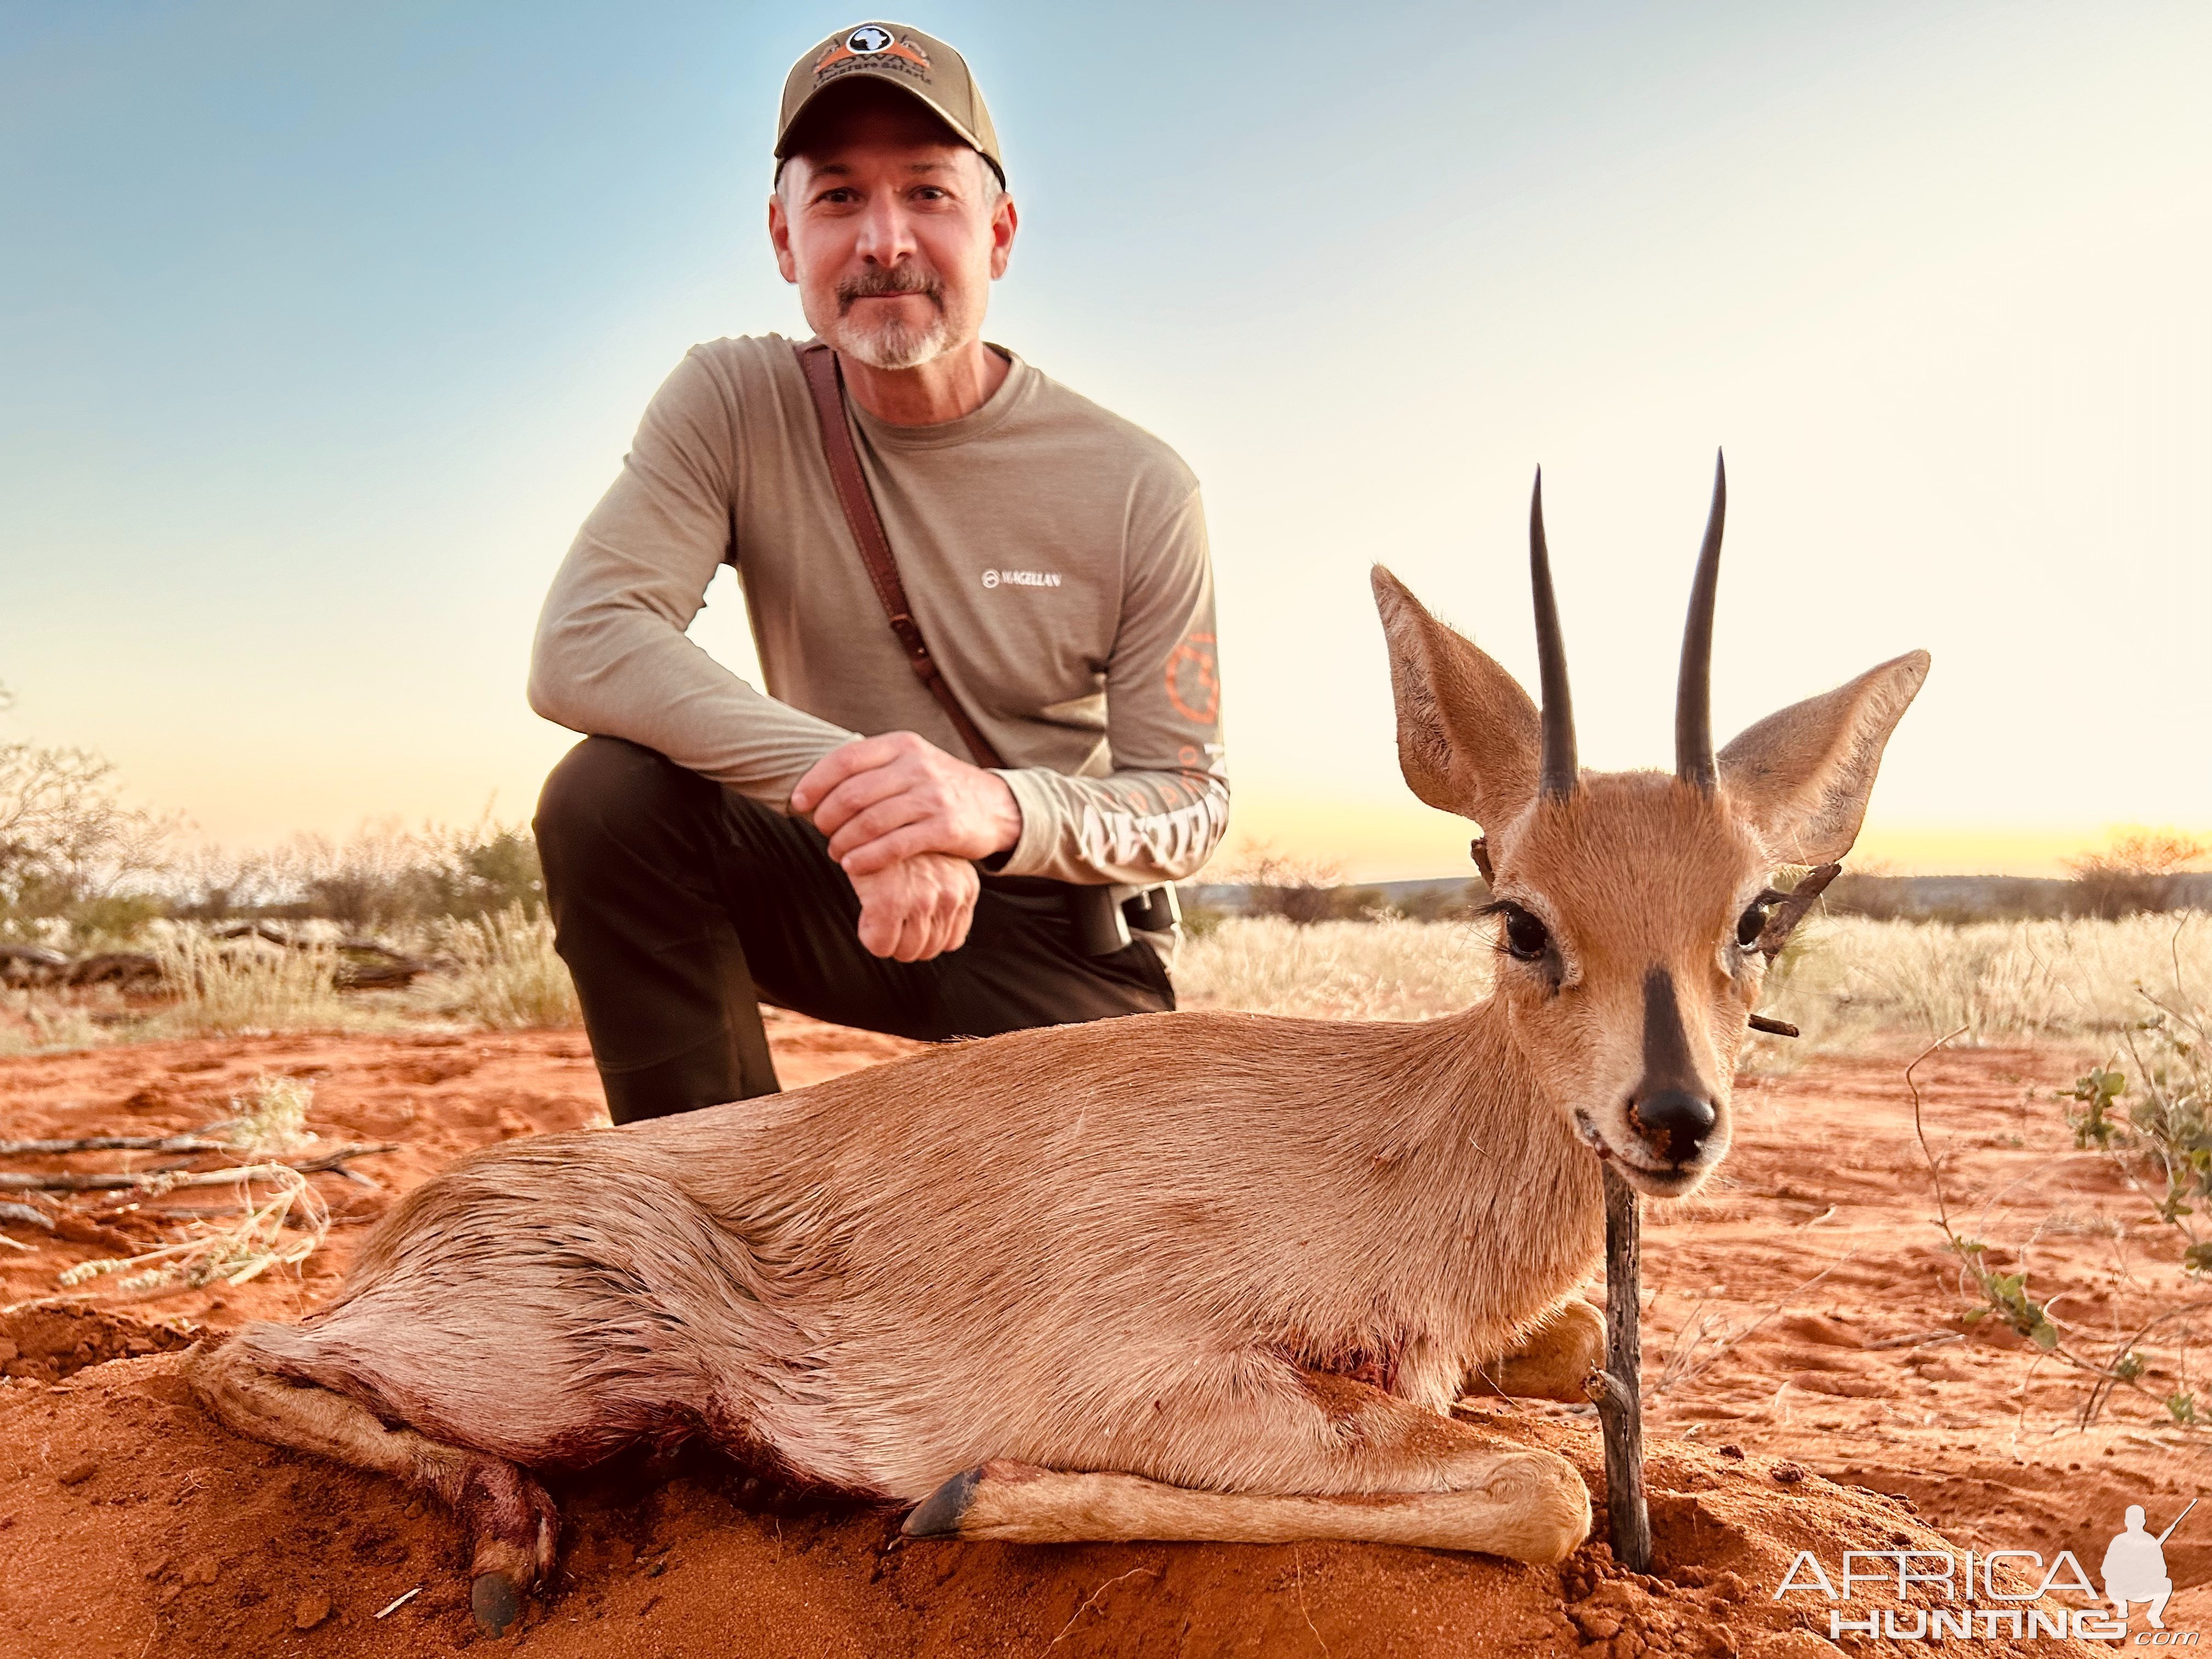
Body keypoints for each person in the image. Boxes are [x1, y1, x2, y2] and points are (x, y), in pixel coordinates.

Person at [527, 22, 1229, 1123]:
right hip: (843, 882)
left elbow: (1189, 802)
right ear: (782, 237)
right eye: (839, 198)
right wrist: (874, 801)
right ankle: (700, 1206)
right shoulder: (731, 402)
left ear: (998, 233)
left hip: (1055, 926)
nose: (884, 240)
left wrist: (987, 809)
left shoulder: (1140, 484)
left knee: (1106, 1260)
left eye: (929, 196)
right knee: (607, 798)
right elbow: (586, 641)